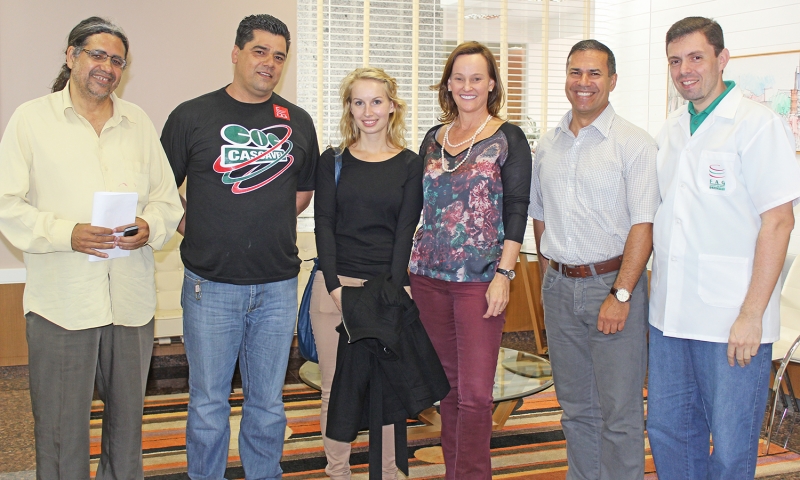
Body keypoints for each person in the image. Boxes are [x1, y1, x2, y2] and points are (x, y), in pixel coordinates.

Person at [0, 16, 183, 479]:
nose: (108, 67)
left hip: (130, 302)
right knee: (61, 431)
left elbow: (166, 200)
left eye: (118, 60)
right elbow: (6, 204)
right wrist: (67, 233)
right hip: (62, 303)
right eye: (98, 55)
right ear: (71, 56)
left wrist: (149, 225)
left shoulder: (137, 122)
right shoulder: (31, 119)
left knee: (127, 429)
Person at [160, 14, 319, 479]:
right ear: (236, 53)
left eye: (279, 56)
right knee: (208, 403)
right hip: (210, 287)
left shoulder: (298, 121)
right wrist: (200, 228)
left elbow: (302, 191)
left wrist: (263, 220)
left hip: (277, 286)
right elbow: (160, 191)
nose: (269, 63)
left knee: (267, 404)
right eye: (259, 51)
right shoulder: (191, 116)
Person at [647, 17, 800, 479]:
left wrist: (752, 314)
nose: (684, 70)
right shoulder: (671, 129)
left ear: (722, 58)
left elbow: (779, 221)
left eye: (696, 57)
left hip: (732, 319)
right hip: (670, 316)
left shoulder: (758, 125)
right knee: (669, 431)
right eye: (675, 61)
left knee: (731, 445)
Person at [529, 39, 659, 480]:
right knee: (575, 409)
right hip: (559, 288)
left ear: (613, 81)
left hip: (613, 286)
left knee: (619, 413)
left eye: (594, 73)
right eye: (575, 72)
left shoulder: (634, 144)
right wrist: (549, 278)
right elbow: (540, 215)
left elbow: (644, 224)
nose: (583, 82)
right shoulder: (548, 144)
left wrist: (620, 294)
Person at [408, 41, 531, 479]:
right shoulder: (432, 138)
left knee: (476, 395)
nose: (467, 86)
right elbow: (415, 206)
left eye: (477, 77)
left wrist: (505, 273)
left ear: (492, 83)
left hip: (480, 280)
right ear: (447, 84)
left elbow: (517, 209)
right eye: (458, 78)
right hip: (427, 277)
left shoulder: (507, 137)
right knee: (446, 389)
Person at [311, 67, 423, 479]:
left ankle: (389, 473)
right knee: (334, 388)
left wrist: (388, 293)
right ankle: (337, 472)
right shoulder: (333, 161)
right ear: (349, 108)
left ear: (392, 106)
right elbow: (324, 225)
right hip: (335, 290)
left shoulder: (410, 164)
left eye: (376, 101)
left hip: (387, 292)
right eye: (358, 102)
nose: (368, 111)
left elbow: (405, 231)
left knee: (388, 390)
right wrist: (335, 287)